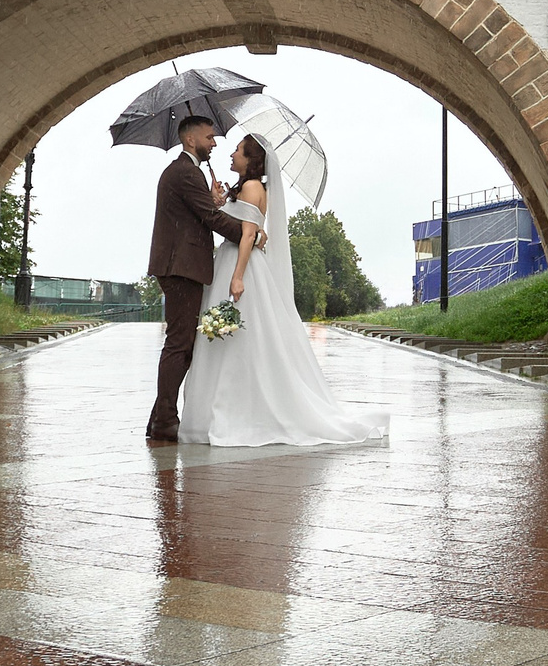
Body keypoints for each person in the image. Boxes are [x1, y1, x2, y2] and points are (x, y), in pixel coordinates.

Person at [180, 132, 388, 447]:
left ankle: (233, 411)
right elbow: (243, 227)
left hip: (240, 265)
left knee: (234, 338)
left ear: (251, 159)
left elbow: (248, 235)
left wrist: (237, 277)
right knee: (232, 337)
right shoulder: (249, 188)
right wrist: (218, 201)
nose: (232, 155)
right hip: (235, 261)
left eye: (237, 151)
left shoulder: (252, 187)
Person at [145, 113, 243, 443]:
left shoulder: (188, 173)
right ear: (191, 140)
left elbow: (203, 211)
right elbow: (210, 218)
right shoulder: (185, 172)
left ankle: (160, 416)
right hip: (180, 267)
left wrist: (214, 199)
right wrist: (249, 234)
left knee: (183, 343)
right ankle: (165, 422)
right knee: (179, 344)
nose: (214, 143)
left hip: (181, 266)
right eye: (209, 137)